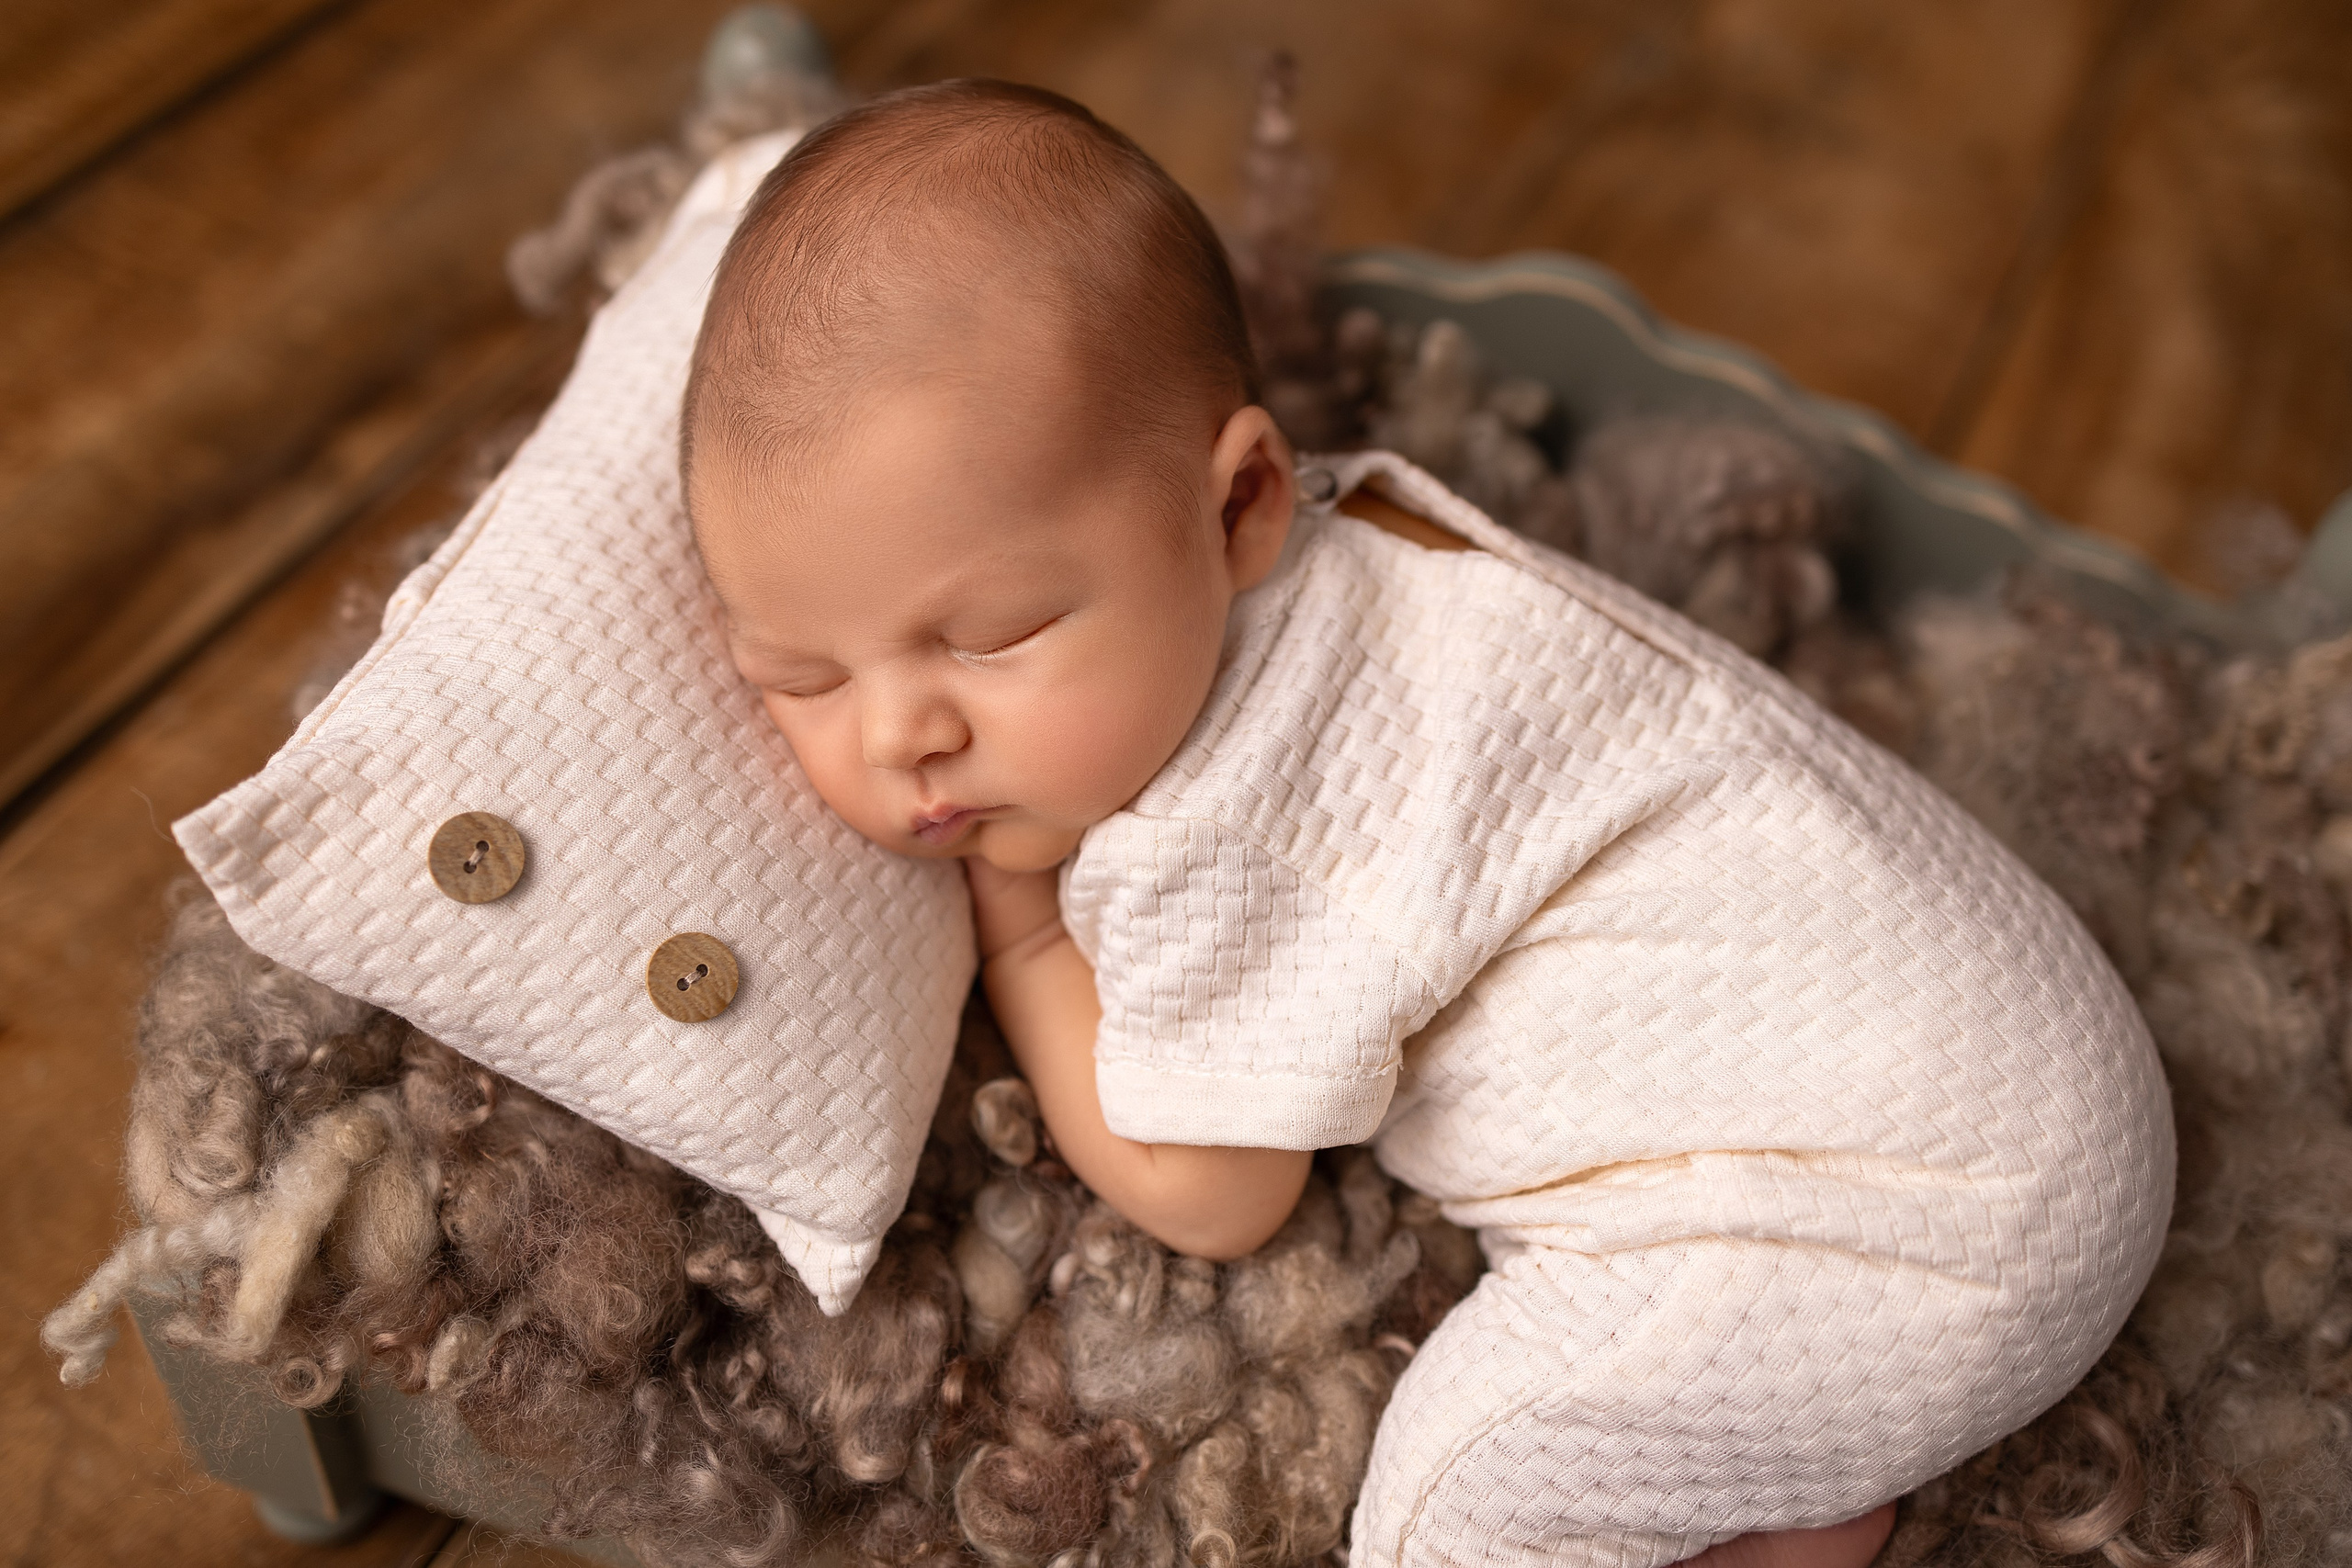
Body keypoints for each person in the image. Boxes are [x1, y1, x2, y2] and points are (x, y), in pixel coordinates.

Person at [680, 77, 2172, 1568]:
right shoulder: (1369, 549)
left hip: (1910, 1225)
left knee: (1450, 1512)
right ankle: (1792, 1470)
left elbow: (1213, 1191)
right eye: (798, 674)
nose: (898, 735)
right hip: (2030, 1054)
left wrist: (1023, 943)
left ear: (1241, 507)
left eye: (992, 635)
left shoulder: (1215, 830)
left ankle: (1776, 1509)